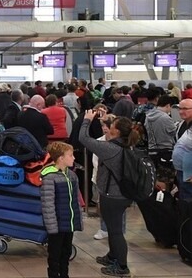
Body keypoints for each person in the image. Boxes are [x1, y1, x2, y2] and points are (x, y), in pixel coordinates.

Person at [79, 109, 139, 277]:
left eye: (112, 125)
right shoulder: (126, 144)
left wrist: (87, 120)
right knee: (114, 228)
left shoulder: (110, 149)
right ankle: (112, 256)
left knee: (115, 230)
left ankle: (122, 266)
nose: (108, 126)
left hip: (113, 195)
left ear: (117, 131)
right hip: (120, 194)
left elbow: (83, 139)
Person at [40, 142, 82, 278]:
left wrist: (77, 219)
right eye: (70, 155)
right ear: (61, 158)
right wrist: (52, 226)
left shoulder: (72, 176)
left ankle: (64, 274)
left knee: (66, 252)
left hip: (69, 223)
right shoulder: (49, 177)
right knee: (55, 254)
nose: (74, 158)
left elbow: (76, 200)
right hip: (56, 224)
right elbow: (48, 205)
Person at [172, 98, 192, 201]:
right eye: (180, 109)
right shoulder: (188, 125)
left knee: (191, 203)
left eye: (185, 109)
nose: (181, 111)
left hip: (191, 173)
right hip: (184, 171)